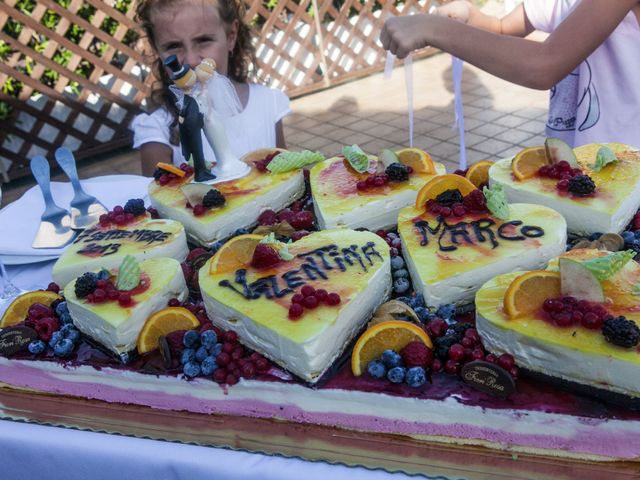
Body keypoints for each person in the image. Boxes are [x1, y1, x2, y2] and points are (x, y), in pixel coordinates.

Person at [380, 0, 640, 148]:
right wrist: (468, 15)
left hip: (627, 175)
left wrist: (435, 29)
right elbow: (503, 27)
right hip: (582, 169)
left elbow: (544, 65)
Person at [131, 0, 290, 176]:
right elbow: (158, 197)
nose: (191, 60)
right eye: (173, 46)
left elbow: (287, 175)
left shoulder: (268, 103)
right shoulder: (157, 130)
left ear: (231, 36)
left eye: (204, 40)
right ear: (157, 50)